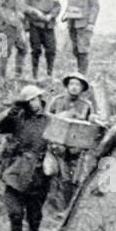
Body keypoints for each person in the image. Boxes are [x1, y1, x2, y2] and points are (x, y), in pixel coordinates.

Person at [0, 84, 51, 231]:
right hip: (16, 171)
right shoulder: (17, 119)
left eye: (36, 99)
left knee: (34, 217)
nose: (34, 103)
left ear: (41, 99)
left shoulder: (49, 120)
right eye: (29, 100)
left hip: (39, 174)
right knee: (15, 214)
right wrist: (12, 109)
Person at [46, 71, 97, 207]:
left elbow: (89, 128)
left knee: (73, 179)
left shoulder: (86, 105)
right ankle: (53, 203)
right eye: (71, 84)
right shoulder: (57, 101)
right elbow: (47, 120)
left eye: (78, 85)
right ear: (67, 86)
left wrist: (92, 120)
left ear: (82, 88)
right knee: (55, 173)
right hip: (56, 146)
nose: (74, 87)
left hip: (75, 149)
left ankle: (66, 205)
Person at [22, 0, 60, 80]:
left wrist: (51, 15)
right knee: (36, 50)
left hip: (48, 24)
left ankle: (49, 74)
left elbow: (57, 6)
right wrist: (35, 12)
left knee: (51, 50)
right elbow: (23, 5)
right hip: (35, 24)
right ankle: (35, 75)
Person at [62, 0, 99, 74]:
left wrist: (91, 23)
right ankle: (80, 72)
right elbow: (71, 5)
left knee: (83, 49)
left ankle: (83, 75)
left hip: (83, 24)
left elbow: (95, 6)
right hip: (72, 23)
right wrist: (65, 15)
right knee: (76, 49)